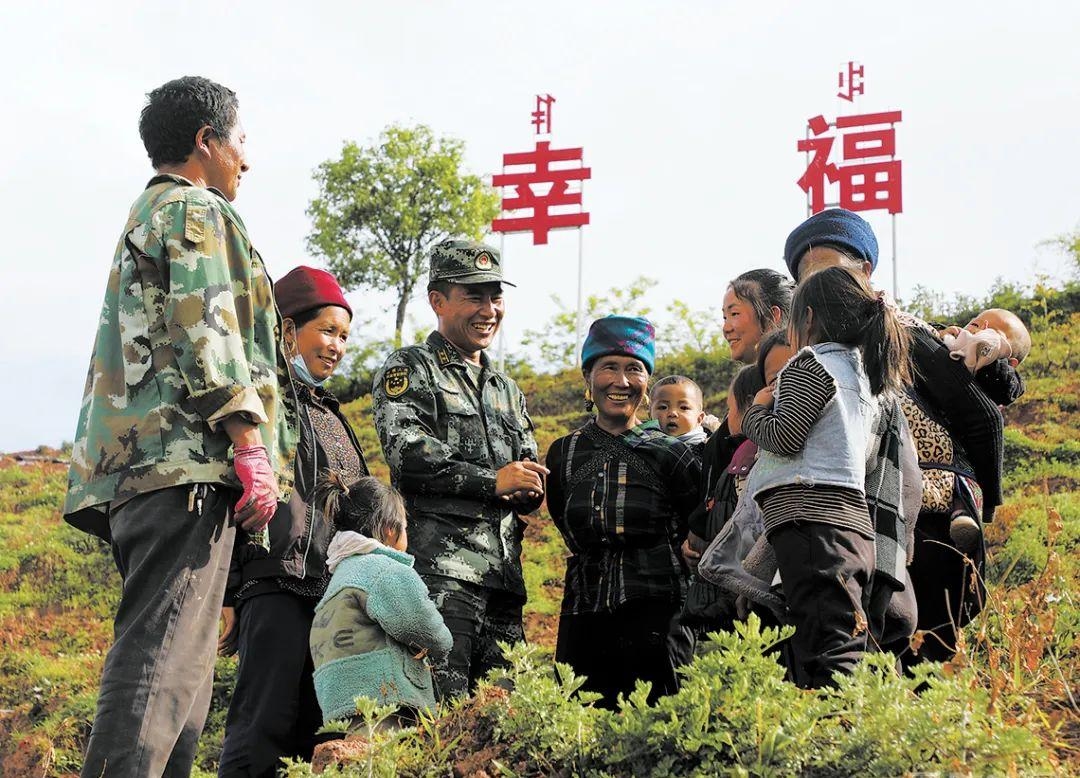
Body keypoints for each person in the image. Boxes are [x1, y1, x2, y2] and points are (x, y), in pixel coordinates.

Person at [61, 76, 295, 777]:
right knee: (159, 672)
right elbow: (207, 325)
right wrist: (249, 440)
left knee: (180, 689)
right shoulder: (196, 209)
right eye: (241, 140)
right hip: (184, 467)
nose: (248, 158)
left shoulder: (147, 215)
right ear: (206, 141)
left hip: (148, 472)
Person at [783, 207, 1003, 665]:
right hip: (858, 523)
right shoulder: (814, 356)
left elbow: (983, 418)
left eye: (829, 270)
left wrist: (986, 504)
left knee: (921, 660)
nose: (819, 285)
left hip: (930, 520)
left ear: (865, 272)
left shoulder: (902, 335)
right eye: (806, 277)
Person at [372, 239, 546, 700]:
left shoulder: (507, 389)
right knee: (440, 716)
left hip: (504, 581)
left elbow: (526, 462)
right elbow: (407, 453)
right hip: (443, 576)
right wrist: (494, 481)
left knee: (504, 720)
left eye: (495, 297)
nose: (489, 310)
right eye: (474, 296)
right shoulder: (412, 368)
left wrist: (529, 487)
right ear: (438, 301)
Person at [218, 267, 368, 776]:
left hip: (330, 596)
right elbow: (231, 494)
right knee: (263, 725)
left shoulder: (332, 414)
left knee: (316, 730)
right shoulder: (260, 406)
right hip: (275, 582)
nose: (337, 347)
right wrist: (229, 592)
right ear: (286, 330)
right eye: (327, 331)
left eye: (344, 336)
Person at [742, 266, 912, 688]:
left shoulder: (812, 365)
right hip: (846, 526)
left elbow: (784, 436)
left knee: (828, 646)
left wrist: (755, 410)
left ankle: (839, 721)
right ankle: (852, 715)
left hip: (812, 523)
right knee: (841, 634)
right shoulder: (865, 374)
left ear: (808, 317)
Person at [545, 316, 700, 708]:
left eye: (634, 369)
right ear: (588, 376)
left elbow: (694, 523)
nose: (621, 381)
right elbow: (566, 522)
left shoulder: (672, 452)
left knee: (660, 721)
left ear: (647, 381)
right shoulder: (563, 453)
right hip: (584, 610)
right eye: (608, 367)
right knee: (581, 724)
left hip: (658, 610)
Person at [309, 472, 453, 730]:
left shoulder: (339, 579)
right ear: (390, 529)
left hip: (342, 702)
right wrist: (444, 640)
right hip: (387, 700)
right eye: (405, 527)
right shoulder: (384, 570)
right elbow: (424, 629)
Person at [682, 270, 794, 570]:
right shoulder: (750, 387)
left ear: (773, 315)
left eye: (734, 314)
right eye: (724, 316)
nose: (726, 327)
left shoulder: (787, 395)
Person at [680, 364, 764, 631]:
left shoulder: (746, 461)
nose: (727, 418)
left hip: (737, 593)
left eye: (730, 408)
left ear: (750, 406)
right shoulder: (731, 450)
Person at [650, 375, 711, 457]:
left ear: (699, 419)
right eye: (663, 407)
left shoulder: (710, 450)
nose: (672, 413)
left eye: (683, 408)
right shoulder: (643, 448)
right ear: (650, 414)